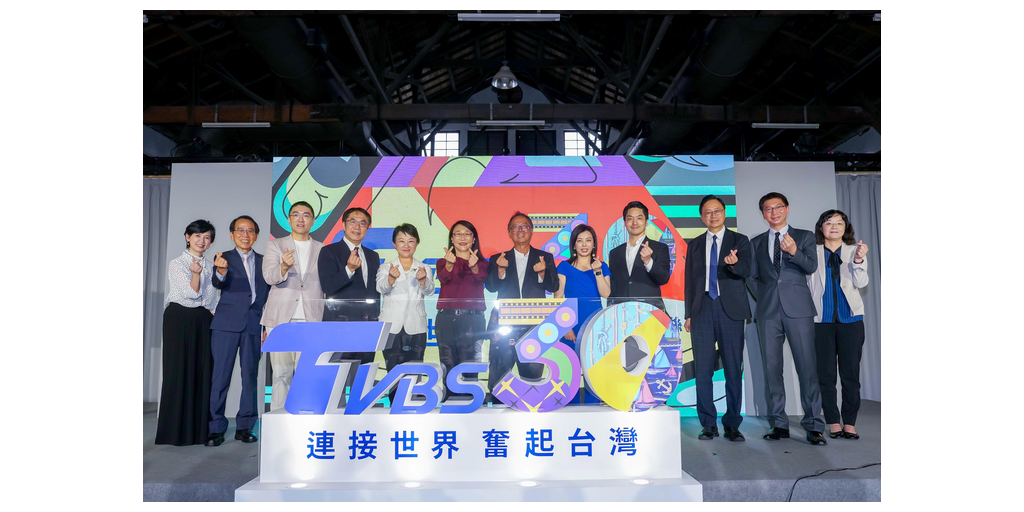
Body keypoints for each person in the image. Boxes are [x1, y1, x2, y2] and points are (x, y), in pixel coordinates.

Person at [747, 192, 826, 445]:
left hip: (799, 310)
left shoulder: (804, 236)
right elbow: (751, 277)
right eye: (768, 209)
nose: (774, 212)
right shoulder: (756, 242)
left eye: (778, 207)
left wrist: (793, 251)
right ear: (763, 214)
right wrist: (764, 297)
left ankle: (814, 425)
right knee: (772, 370)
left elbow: (811, 266)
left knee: (807, 368)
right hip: (768, 312)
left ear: (787, 209)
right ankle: (779, 424)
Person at [683, 195, 752, 441]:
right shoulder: (695, 244)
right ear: (702, 217)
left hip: (730, 310)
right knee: (703, 370)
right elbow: (690, 281)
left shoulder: (739, 240)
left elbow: (747, 270)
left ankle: (732, 424)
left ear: (725, 212)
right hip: (702, 309)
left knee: (733, 368)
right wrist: (689, 314)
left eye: (717, 211)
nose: (713, 216)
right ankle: (708, 424)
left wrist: (734, 264)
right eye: (708, 212)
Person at [206, 215, 270, 447]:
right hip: (226, 326)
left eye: (250, 230)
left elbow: (269, 295)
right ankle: (215, 428)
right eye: (240, 230)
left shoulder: (264, 261)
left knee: (250, 377)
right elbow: (218, 282)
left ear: (256, 235)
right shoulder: (223, 258)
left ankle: (245, 426)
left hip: (254, 325)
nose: (245, 234)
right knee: (220, 377)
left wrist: (267, 325)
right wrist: (221, 272)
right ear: (232, 234)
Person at [156, 220, 220, 446]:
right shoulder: (177, 263)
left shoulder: (212, 265)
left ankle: (198, 431)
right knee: (177, 371)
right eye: (197, 236)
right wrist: (195, 274)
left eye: (207, 237)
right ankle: (173, 432)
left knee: (202, 372)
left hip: (203, 320)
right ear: (187, 237)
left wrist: (211, 311)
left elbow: (212, 297)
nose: (202, 241)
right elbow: (191, 294)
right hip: (179, 319)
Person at [809, 210, 869, 440]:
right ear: (821, 227)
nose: (834, 226)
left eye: (839, 223)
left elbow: (861, 282)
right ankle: (833, 421)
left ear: (846, 228)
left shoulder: (855, 251)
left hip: (850, 320)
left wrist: (858, 261)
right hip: (821, 321)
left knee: (850, 375)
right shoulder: (812, 252)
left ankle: (850, 422)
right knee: (825, 375)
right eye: (829, 223)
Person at [260, 201, 324, 411]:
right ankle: (278, 421)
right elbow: (269, 277)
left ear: (313, 220)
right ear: (288, 219)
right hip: (281, 320)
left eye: (306, 215)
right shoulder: (275, 245)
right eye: (296, 214)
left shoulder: (322, 249)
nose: (300, 219)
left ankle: (304, 418)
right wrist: (283, 266)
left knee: (307, 374)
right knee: (281, 375)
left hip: (311, 319)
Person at [485, 212, 558, 392]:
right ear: (509, 233)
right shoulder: (498, 259)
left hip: (534, 326)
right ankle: (495, 406)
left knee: (533, 378)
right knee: (500, 376)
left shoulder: (545, 257)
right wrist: (500, 270)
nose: (520, 230)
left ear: (531, 230)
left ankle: (532, 406)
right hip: (505, 325)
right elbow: (491, 287)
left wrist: (542, 273)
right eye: (515, 227)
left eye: (524, 226)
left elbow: (554, 286)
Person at [376, 223, 435, 405]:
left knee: (415, 370)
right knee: (393, 370)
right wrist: (391, 278)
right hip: (392, 328)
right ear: (394, 244)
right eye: (401, 241)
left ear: (417, 243)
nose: (406, 245)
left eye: (411, 240)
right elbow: (380, 288)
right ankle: (395, 406)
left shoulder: (424, 267)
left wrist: (423, 280)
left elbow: (430, 291)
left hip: (416, 327)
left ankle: (413, 405)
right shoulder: (386, 267)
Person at [317, 207, 382, 369]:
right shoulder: (329, 251)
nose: (357, 227)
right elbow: (328, 286)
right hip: (339, 327)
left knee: (364, 374)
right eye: (352, 222)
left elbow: (374, 293)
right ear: (344, 225)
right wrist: (349, 269)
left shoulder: (373, 256)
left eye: (362, 223)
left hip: (367, 328)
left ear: (367, 227)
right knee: (338, 376)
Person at [554, 224, 609, 404]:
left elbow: (606, 293)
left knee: (594, 372)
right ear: (574, 244)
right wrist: (565, 326)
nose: (584, 245)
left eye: (588, 240)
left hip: (595, 325)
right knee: (570, 373)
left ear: (594, 244)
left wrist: (598, 272)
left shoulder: (601, 266)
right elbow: (558, 297)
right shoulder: (564, 267)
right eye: (580, 240)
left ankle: (594, 410)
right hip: (570, 326)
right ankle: (571, 410)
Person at [435, 220, 489, 401]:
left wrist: (473, 267)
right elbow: (444, 278)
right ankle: (449, 402)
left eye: (467, 234)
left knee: (470, 363)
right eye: (458, 234)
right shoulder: (442, 262)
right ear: (452, 239)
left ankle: (471, 403)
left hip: (472, 320)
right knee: (447, 362)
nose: (462, 237)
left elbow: (482, 278)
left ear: (474, 239)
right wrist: (450, 265)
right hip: (446, 319)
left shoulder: (482, 263)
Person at [607, 201, 671, 311]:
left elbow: (663, 278)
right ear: (625, 222)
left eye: (639, 218)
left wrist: (648, 261)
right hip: (622, 312)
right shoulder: (615, 253)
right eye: (630, 218)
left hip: (649, 311)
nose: (634, 222)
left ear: (646, 222)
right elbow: (614, 286)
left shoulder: (659, 248)